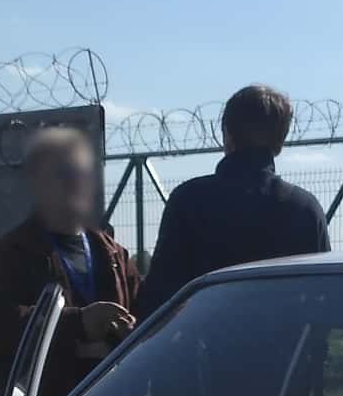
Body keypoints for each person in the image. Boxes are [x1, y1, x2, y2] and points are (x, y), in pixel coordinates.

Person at [0, 125, 140, 396]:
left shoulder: (113, 253)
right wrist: (79, 326)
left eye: (81, 174)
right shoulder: (5, 255)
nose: (75, 183)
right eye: (63, 174)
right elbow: (2, 327)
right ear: (36, 183)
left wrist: (121, 335)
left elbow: (147, 317)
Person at [134, 84, 329, 317]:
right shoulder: (304, 208)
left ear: (225, 132)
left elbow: (160, 295)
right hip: (285, 347)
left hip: (201, 344)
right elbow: (321, 296)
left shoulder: (189, 200)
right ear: (281, 140)